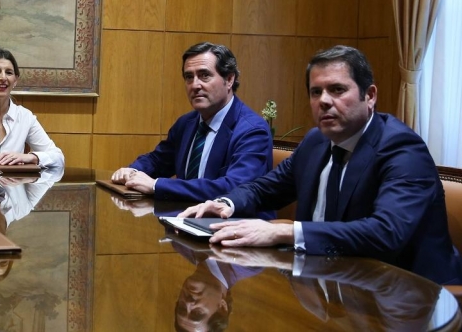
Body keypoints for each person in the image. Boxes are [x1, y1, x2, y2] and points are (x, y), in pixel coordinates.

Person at [179, 45, 462, 285]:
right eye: (316, 92)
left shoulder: (401, 148)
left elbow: (385, 233)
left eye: (337, 90)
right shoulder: (317, 141)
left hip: (408, 296)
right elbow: (268, 188)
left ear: (370, 95)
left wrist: (285, 231)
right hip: (333, 285)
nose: (324, 101)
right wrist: (227, 202)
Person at [110, 42, 273, 210]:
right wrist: (132, 172)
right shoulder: (186, 123)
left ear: (229, 79)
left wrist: (156, 185)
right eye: (189, 77)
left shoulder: (252, 130)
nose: (195, 85)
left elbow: (234, 188)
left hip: (235, 227)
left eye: (204, 75)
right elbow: (158, 160)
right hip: (186, 219)